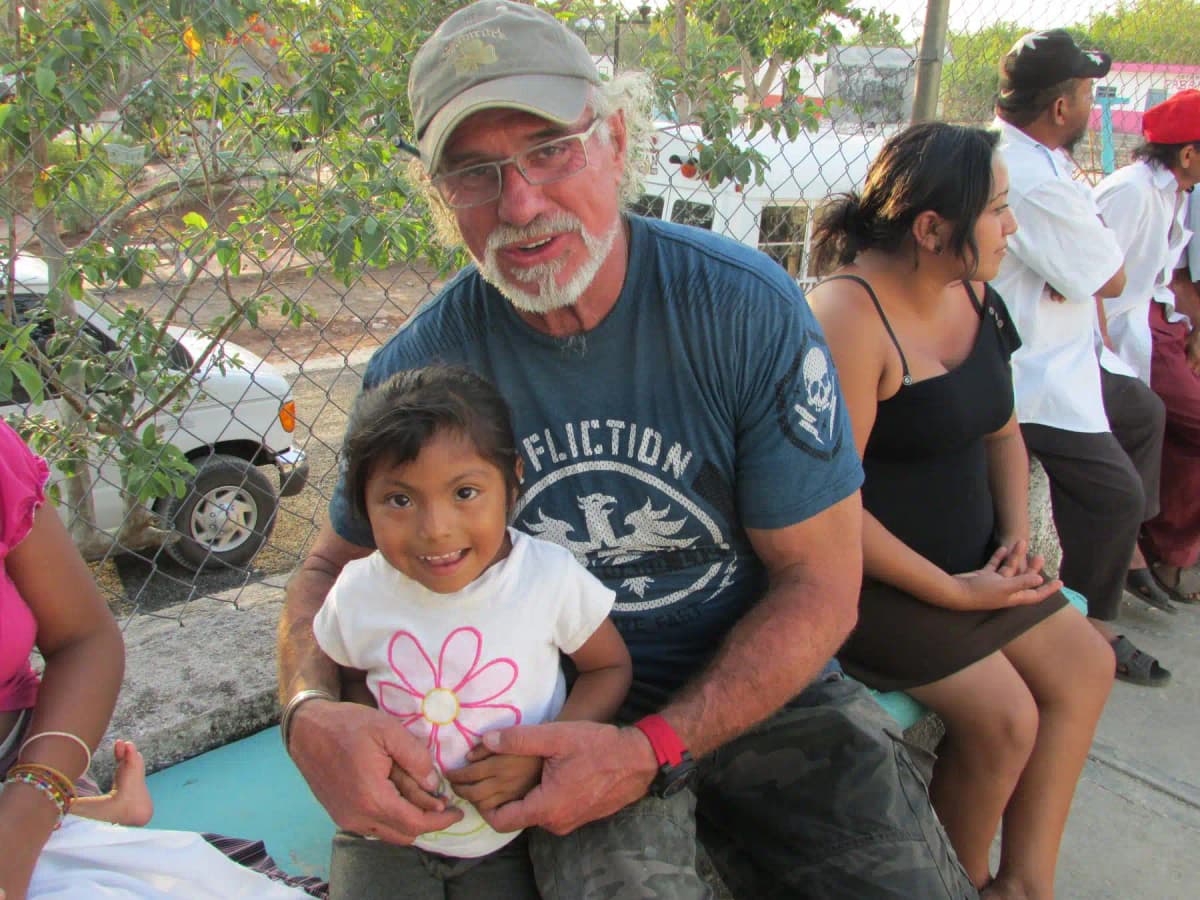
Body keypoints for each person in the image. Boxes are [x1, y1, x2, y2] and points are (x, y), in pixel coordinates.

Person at [276, 1, 976, 897]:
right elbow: (329, 569)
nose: (521, 204)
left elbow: (823, 587)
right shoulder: (419, 369)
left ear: (613, 136)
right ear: (439, 194)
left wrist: (653, 748)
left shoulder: (741, 308)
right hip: (563, 730)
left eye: (549, 150)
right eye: (475, 173)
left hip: (770, 695)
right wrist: (305, 713)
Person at [808, 122, 1114, 897]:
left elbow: (1003, 432)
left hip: (975, 569)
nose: (1012, 228)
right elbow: (828, 506)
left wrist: (1015, 538)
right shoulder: (849, 317)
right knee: (1005, 718)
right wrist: (952, 591)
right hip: (879, 587)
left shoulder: (971, 290)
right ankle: (956, 882)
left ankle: (1025, 885)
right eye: (999, 210)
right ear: (932, 227)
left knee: (1088, 665)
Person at [311, 365, 632, 898]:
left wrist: (543, 754)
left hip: (507, 832)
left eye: (464, 492)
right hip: (388, 834)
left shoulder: (547, 578)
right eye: (399, 500)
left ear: (512, 480)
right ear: (360, 503)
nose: (435, 527)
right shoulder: (357, 593)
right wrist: (378, 758)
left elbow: (609, 667)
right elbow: (346, 680)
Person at [990, 29, 1173, 686]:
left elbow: (1100, 269)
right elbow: (1112, 276)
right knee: (1115, 496)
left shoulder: (1041, 160)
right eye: (1088, 95)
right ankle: (1094, 624)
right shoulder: (1031, 177)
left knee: (1142, 411)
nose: (1091, 106)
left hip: (1070, 354)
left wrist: (1092, 263)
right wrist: (1093, 264)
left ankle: (1123, 565)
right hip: (1028, 371)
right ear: (1062, 108)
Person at [1093, 91, 1200, 603]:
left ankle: (1156, 546)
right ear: (1187, 153)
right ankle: (1144, 547)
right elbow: (1090, 277)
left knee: (1164, 423)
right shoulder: (1132, 192)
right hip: (1115, 331)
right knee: (1158, 416)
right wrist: (1104, 347)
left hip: (1153, 322)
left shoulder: (1174, 193)